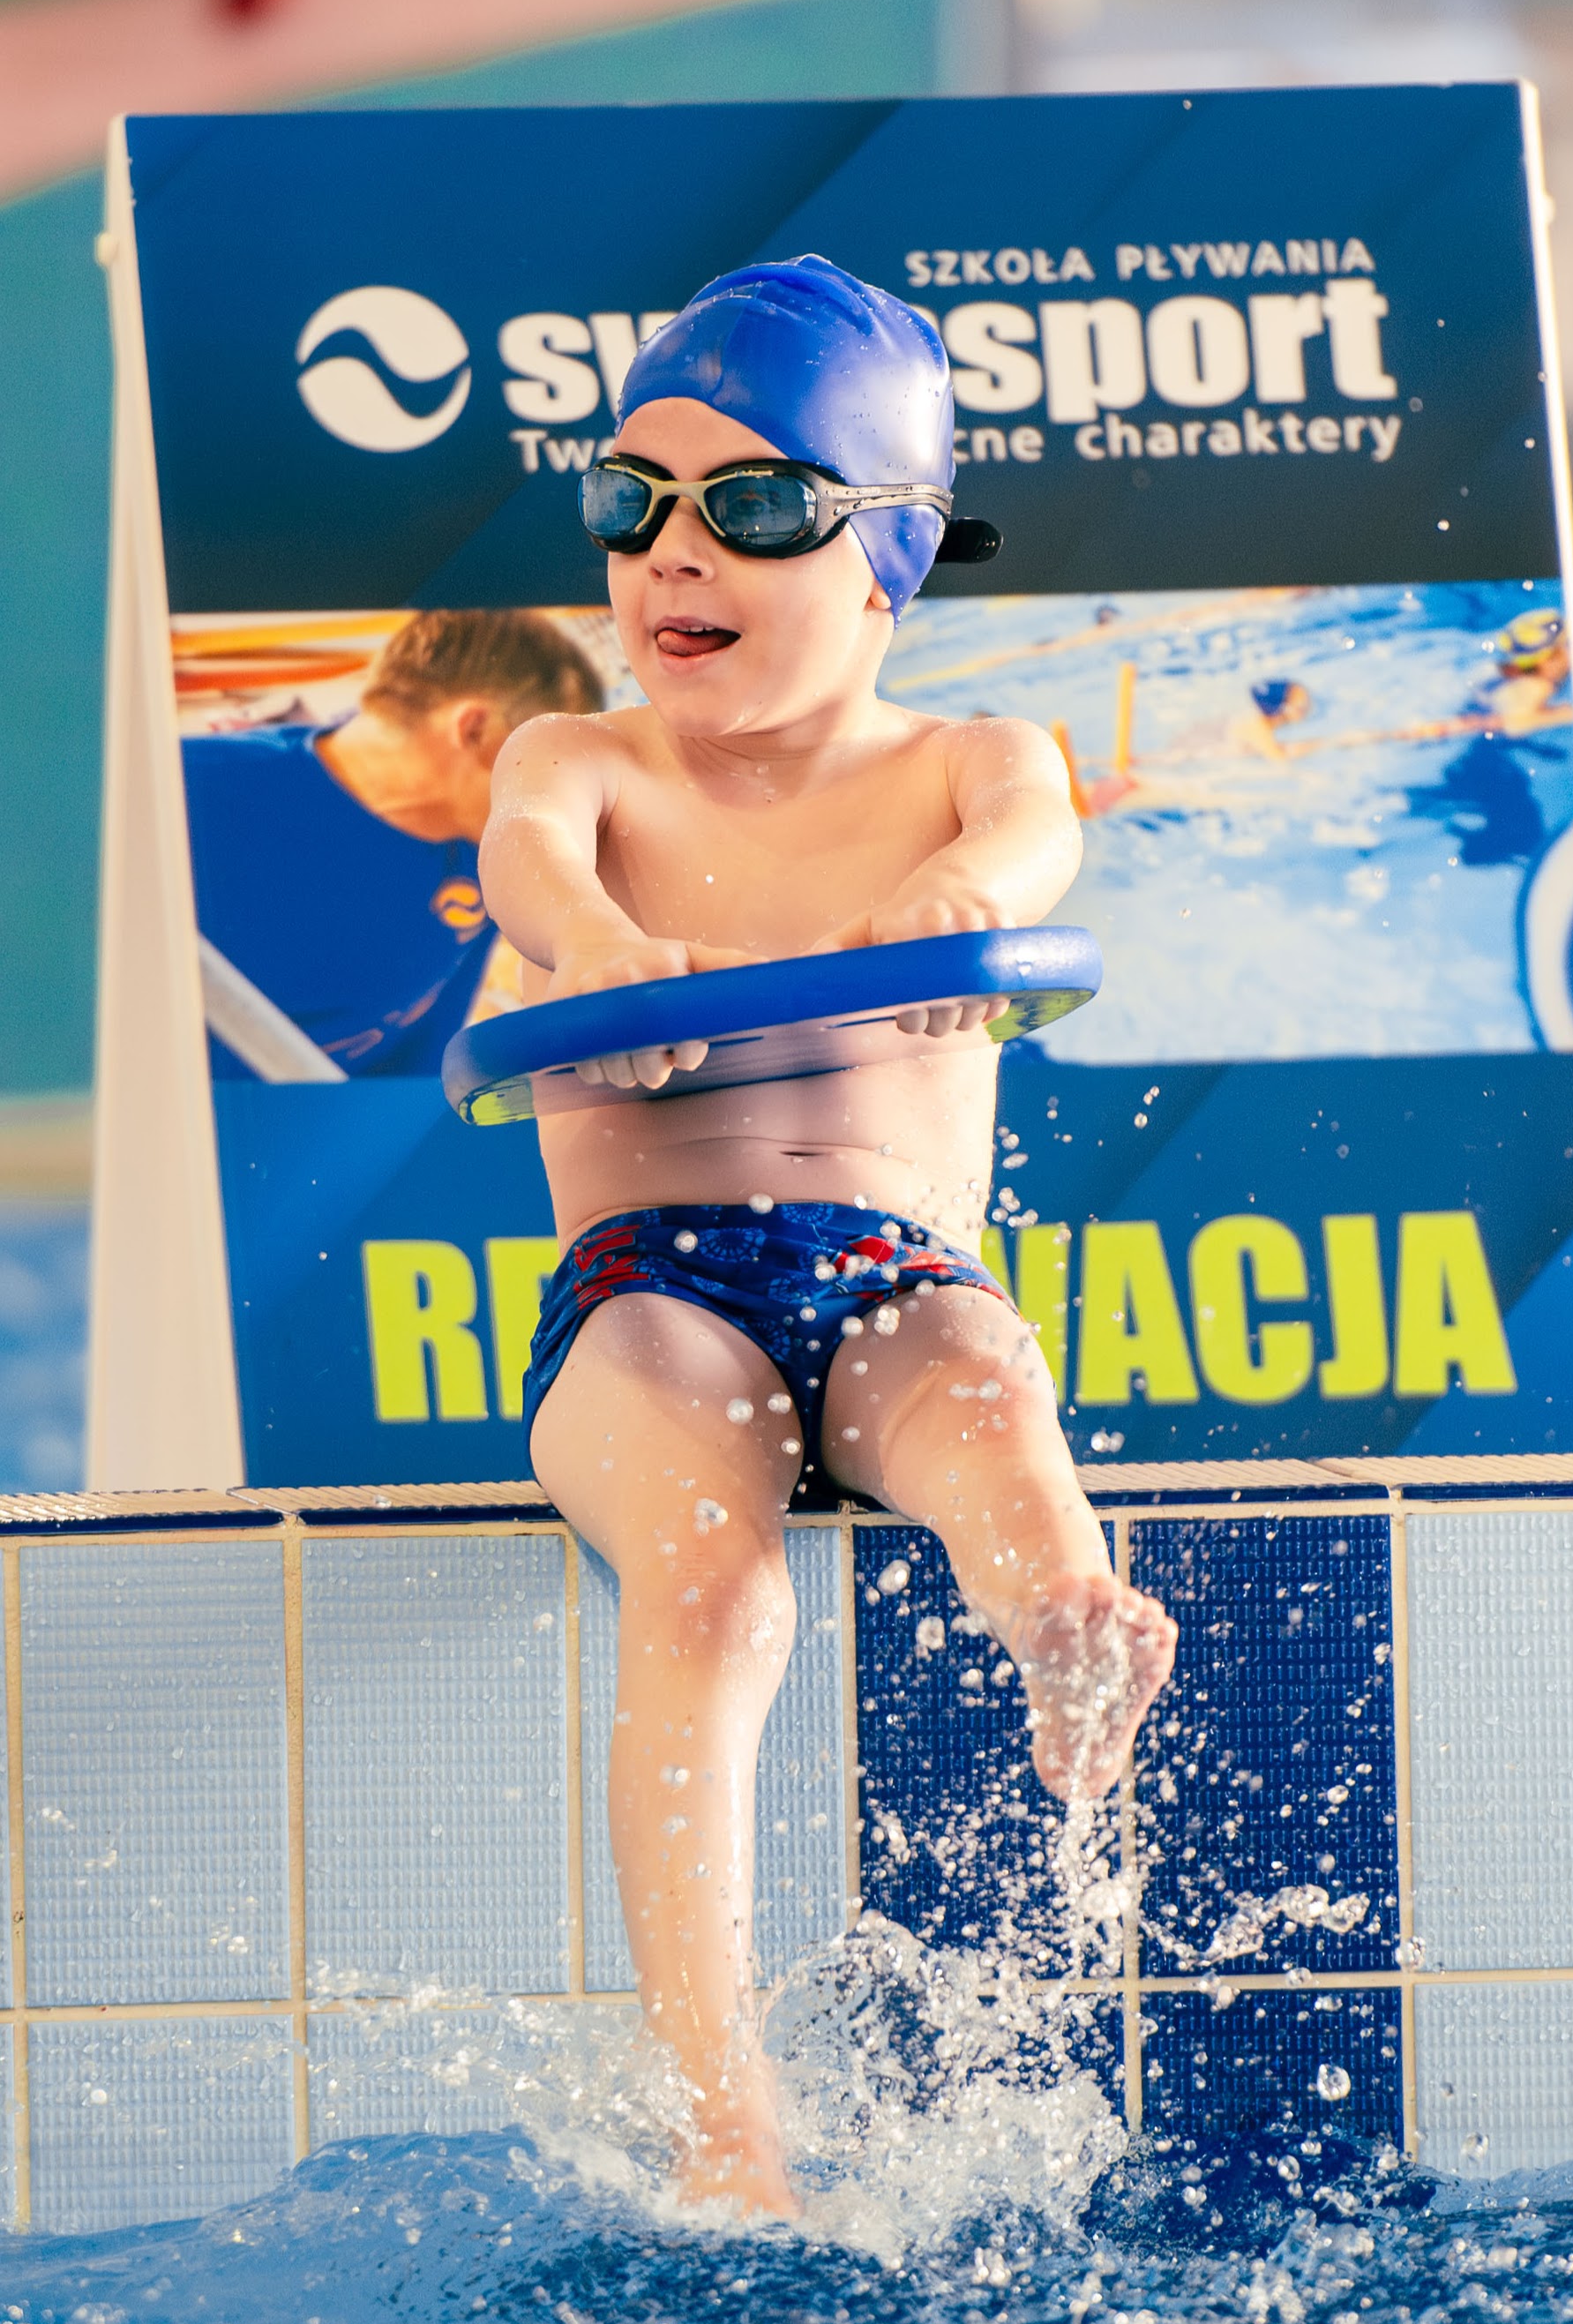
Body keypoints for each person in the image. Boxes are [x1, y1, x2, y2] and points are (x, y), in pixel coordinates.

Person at [479, 254, 1176, 2217]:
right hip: (648, 1296)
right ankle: (729, 2120)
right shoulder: (581, 768)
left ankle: (1063, 1618)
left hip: (891, 1274)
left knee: (980, 1379)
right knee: (717, 1590)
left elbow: (1030, 837)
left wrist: (957, 908)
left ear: (885, 553)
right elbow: (526, 867)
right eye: (629, 500)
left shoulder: (964, 766)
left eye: (754, 504)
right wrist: (598, 951)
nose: (670, 551)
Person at [183, 607, 603, 1076]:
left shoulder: (484, 853)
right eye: (551, 771)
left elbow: (419, 1058)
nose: (566, 807)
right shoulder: (187, 792)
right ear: (475, 730)